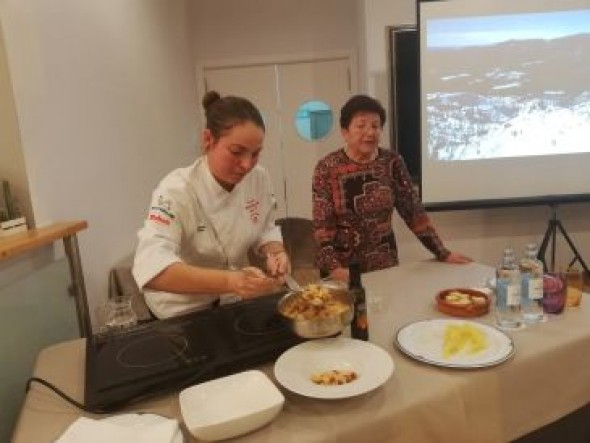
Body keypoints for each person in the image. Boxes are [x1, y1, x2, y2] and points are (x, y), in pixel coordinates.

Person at [133, 91, 290, 319]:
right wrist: (231, 280)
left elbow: (265, 226)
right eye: (236, 152)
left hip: (231, 300)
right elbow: (152, 268)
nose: (247, 165)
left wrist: (276, 251)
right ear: (208, 140)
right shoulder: (176, 190)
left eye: (256, 154)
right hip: (182, 310)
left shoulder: (259, 177)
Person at [312, 94, 471, 282]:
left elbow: (413, 212)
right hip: (342, 269)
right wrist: (334, 268)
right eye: (361, 125)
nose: (370, 132)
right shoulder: (327, 167)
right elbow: (323, 227)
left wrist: (442, 252)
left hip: (384, 265)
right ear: (345, 132)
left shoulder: (392, 162)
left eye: (375, 125)